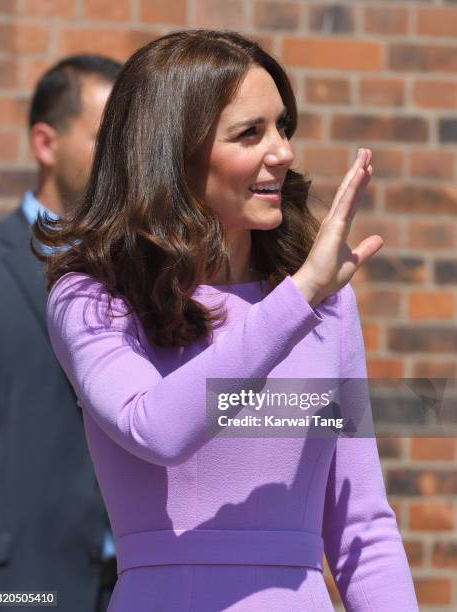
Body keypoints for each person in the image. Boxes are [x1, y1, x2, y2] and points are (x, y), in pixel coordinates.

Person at [33, 30, 419, 611]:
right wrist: (299, 297)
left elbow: (363, 524)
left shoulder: (326, 304)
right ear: (174, 151)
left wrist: (303, 295)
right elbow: (156, 428)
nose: (283, 151)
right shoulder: (92, 296)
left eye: (283, 126)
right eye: (250, 132)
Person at [0, 55, 121, 612]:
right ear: (46, 144)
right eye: (105, 141)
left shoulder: (154, 278)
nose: (125, 163)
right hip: (20, 586)